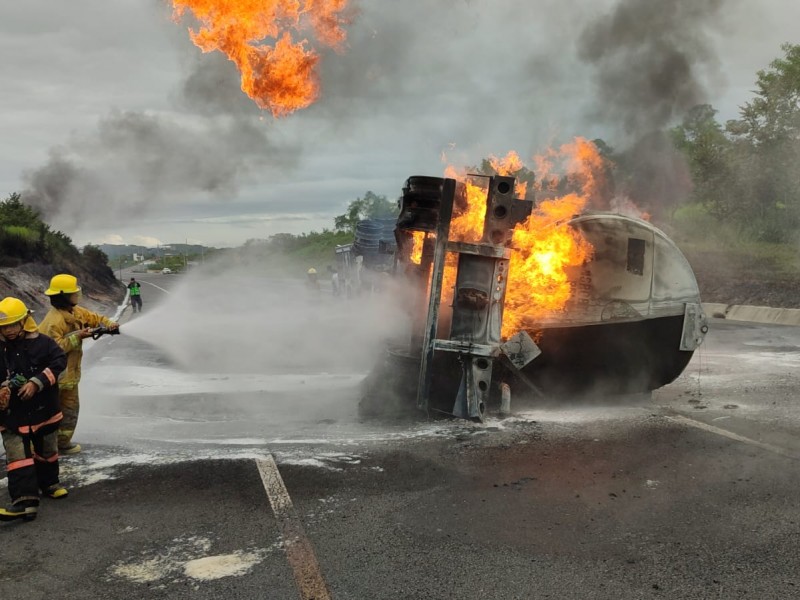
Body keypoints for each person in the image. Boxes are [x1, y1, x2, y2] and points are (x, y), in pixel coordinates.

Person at [0, 297, 68, 522]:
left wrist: (37, 382)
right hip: (13, 415)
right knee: (18, 457)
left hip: (43, 410)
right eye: (3, 326)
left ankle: (49, 484)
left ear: (24, 321)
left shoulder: (43, 343)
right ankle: (24, 502)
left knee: (47, 450)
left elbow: (59, 361)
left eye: (13, 324)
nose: (8, 330)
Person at [37, 274, 119, 455]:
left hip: (70, 376)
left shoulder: (76, 312)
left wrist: (109, 324)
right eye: (73, 292)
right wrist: (78, 336)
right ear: (64, 296)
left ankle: (63, 443)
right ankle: (44, 449)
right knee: (50, 414)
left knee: (71, 410)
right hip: (53, 378)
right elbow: (55, 348)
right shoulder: (54, 321)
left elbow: (94, 317)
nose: (77, 295)